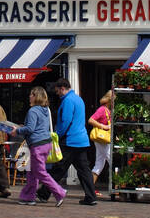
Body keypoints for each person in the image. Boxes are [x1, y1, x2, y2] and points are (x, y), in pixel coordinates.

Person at [10, 86, 67, 206]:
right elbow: (38, 126)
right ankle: (28, 197)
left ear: (36, 97)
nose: (29, 96)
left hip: (37, 145)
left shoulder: (33, 111)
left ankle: (59, 192)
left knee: (40, 172)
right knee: (32, 171)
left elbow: (30, 129)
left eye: (31, 94)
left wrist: (18, 131)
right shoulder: (45, 110)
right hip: (46, 143)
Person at [48, 78, 98, 206]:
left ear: (62, 88)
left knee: (59, 168)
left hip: (70, 140)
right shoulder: (78, 99)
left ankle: (44, 192)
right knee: (84, 170)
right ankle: (91, 196)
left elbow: (66, 121)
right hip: (81, 140)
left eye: (58, 91)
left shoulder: (68, 101)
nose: (57, 94)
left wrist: (57, 135)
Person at [88, 90, 114, 197]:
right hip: (102, 140)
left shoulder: (108, 110)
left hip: (104, 140)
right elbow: (91, 120)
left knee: (99, 164)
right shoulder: (102, 109)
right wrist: (104, 127)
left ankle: (90, 188)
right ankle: (116, 187)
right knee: (111, 160)